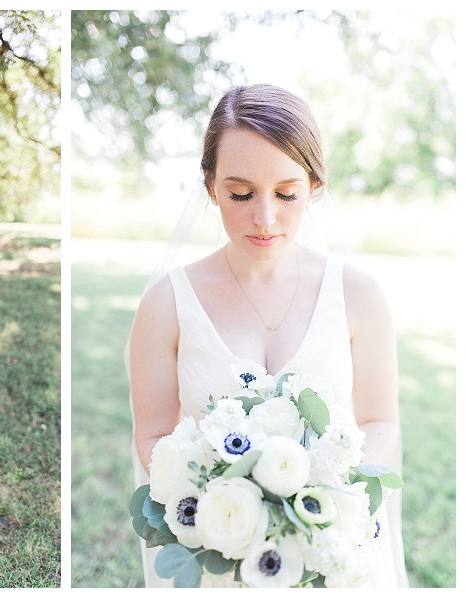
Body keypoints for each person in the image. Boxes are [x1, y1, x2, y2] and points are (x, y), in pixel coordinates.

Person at [127, 83, 408, 587]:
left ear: (314, 187)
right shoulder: (165, 305)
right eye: (240, 193)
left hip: (331, 549)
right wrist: (224, 501)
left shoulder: (359, 294)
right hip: (221, 548)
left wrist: (317, 497)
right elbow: (151, 436)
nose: (264, 217)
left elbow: (380, 420)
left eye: (286, 193)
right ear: (211, 186)